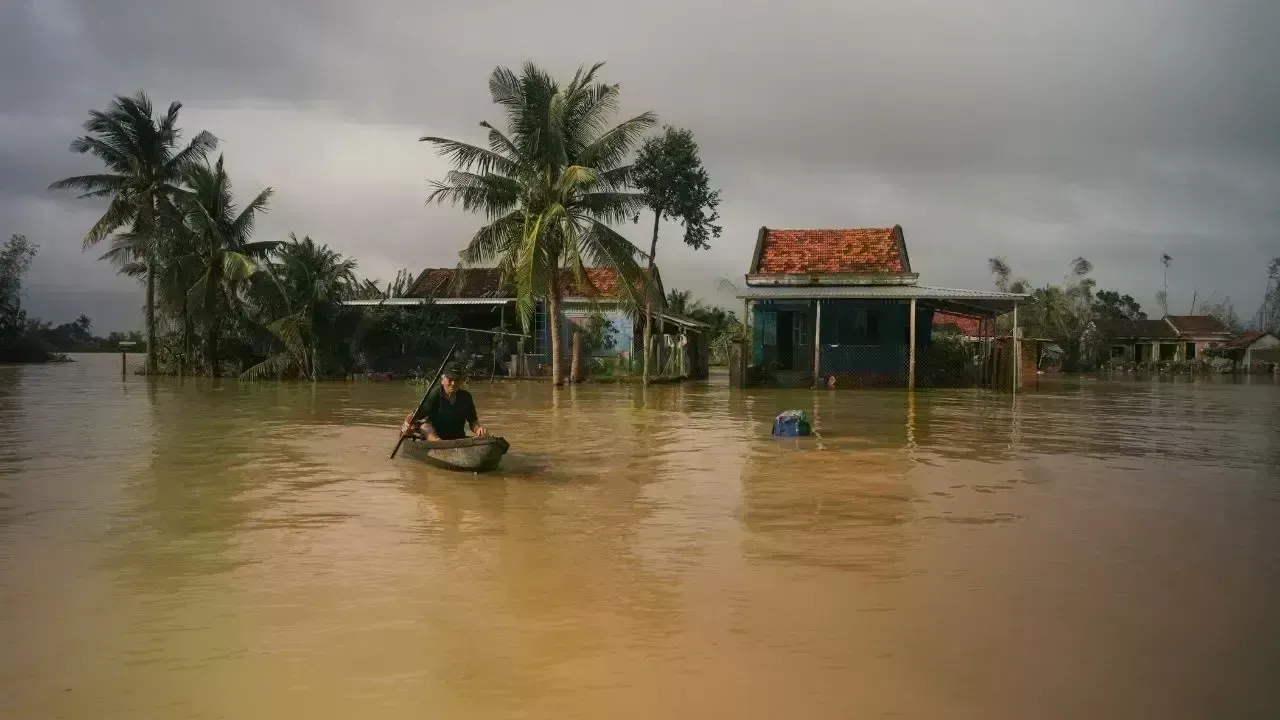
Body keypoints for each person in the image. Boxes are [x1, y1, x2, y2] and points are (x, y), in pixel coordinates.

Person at [400, 364, 488, 441]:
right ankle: (439, 445)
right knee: (425, 426)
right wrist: (406, 425)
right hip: (435, 438)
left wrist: (479, 429)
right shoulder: (434, 396)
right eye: (450, 379)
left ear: (461, 381)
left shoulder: (466, 397)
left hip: (458, 437)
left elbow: (473, 421)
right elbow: (413, 415)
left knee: (482, 436)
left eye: (457, 379)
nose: (453, 383)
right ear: (442, 380)